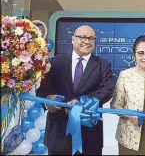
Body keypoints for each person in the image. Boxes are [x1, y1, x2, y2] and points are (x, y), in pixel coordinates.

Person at [36, 25, 115, 155]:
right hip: (58, 133)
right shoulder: (56, 62)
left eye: (91, 38)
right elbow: (43, 90)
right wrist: (48, 101)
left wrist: (81, 103)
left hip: (89, 135)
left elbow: (107, 90)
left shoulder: (103, 65)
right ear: (73, 39)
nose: (87, 41)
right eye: (83, 37)